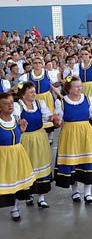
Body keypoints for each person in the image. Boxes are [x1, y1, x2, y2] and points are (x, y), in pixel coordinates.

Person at [54, 76, 92, 204]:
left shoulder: (87, 99)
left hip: (85, 133)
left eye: (80, 85)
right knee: (72, 163)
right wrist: (56, 121)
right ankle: (75, 191)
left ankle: (88, 193)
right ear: (69, 88)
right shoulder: (62, 102)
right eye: (76, 86)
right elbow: (58, 122)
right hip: (69, 135)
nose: (80, 88)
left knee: (87, 162)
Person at [13, 82, 60, 208]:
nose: (34, 94)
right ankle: (28, 195)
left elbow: (48, 116)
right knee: (27, 166)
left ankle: (41, 197)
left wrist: (54, 118)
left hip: (40, 138)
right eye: (31, 92)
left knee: (40, 163)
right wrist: (20, 122)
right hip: (25, 140)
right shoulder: (18, 106)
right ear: (23, 94)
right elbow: (16, 120)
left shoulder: (40, 104)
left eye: (34, 91)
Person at [0, 92, 35, 221]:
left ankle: (14, 208)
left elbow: (12, 135)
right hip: (3, 157)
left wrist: (20, 130)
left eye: (11, 103)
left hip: (17, 155)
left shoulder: (15, 118)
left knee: (15, 181)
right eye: (6, 103)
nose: (10, 106)